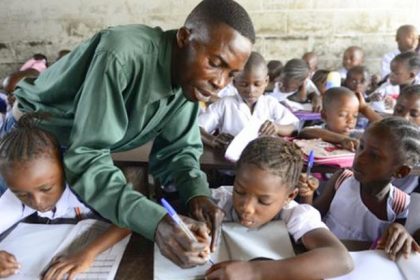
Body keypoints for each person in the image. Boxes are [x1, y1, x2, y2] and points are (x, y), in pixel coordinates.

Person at [6, 0, 255, 268]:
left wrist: (197, 194)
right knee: (19, 241)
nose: (220, 82)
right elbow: (88, 155)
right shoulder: (121, 55)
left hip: (78, 150)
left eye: (232, 74)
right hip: (30, 147)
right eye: (215, 63)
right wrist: (157, 222)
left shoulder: (189, 81)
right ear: (184, 37)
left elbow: (178, 151)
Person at [0, 115, 131, 279]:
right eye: (22, 194)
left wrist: (87, 253)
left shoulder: (88, 182)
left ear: (63, 169)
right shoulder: (12, 192)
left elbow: (128, 219)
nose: (38, 202)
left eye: (46, 189)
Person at [205, 137, 353, 280]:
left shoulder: (294, 215)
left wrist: (254, 271)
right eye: (239, 191)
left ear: (289, 196)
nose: (247, 208)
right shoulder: (219, 201)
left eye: (263, 201)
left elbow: (341, 259)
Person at [312, 117, 420, 260]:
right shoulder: (342, 179)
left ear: (401, 171)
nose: (360, 158)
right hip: (318, 255)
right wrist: (307, 194)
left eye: (374, 155)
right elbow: (313, 216)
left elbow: (389, 250)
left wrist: (403, 233)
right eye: (361, 147)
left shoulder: (400, 208)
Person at [199, 52, 299, 151]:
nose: (251, 90)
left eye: (257, 84)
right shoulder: (225, 104)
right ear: (234, 82)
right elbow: (197, 128)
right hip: (229, 163)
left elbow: (294, 127)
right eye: (243, 84)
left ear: (266, 81)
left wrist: (277, 128)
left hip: (264, 162)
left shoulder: (270, 103)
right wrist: (213, 140)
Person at [299, 87, 360, 151]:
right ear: (324, 115)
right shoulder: (319, 130)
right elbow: (304, 132)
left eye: (355, 116)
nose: (351, 120)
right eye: (343, 115)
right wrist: (342, 139)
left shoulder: (355, 135)